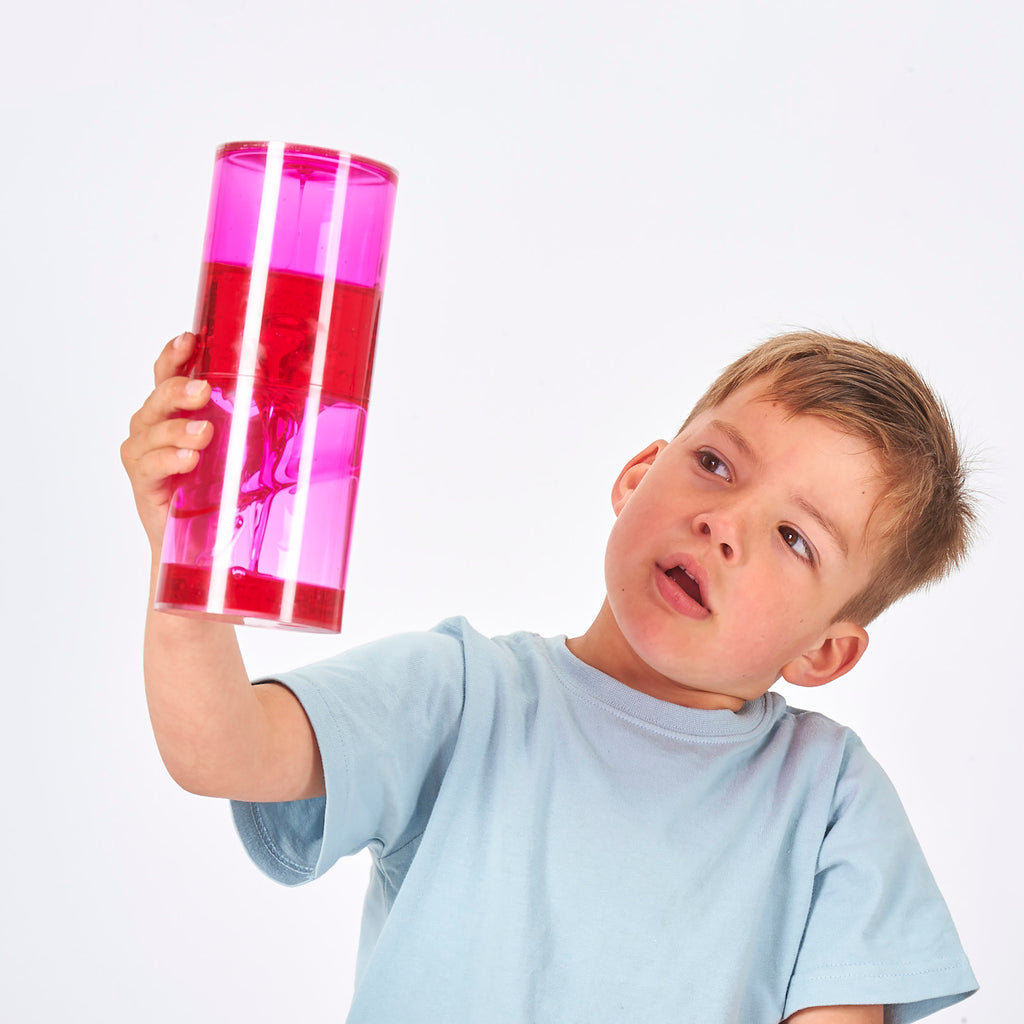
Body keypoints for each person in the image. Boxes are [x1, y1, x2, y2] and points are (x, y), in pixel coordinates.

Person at [121, 329, 979, 1024]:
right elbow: (220, 748)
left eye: (795, 539)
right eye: (716, 465)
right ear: (639, 475)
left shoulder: (832, 798)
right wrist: (188, 556)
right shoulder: (460, 694)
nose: (725, 524)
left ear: (822, 653)